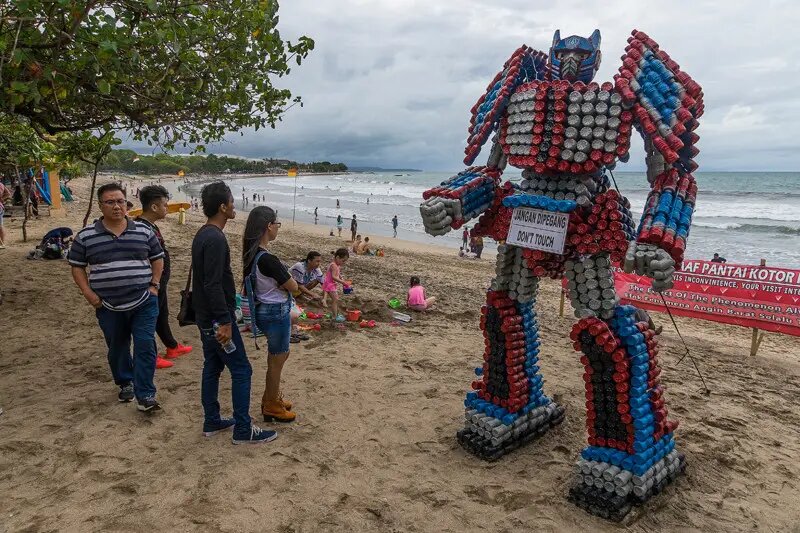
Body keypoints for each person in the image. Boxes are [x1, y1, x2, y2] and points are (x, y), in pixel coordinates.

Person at [192, 181, 276, 444]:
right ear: (222, 206)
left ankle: (212, 420)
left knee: (213, 366)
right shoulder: (215, 238)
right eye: (230, 201)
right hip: (217, 320)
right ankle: (243, 429)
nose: (234, 205)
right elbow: (212, 284)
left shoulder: (203, 234)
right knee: (242, 370)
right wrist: (225, 321)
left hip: (206, 317)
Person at [67, 183, 164, 412]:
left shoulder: (143, 231)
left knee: (145, 345)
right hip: (108, 305)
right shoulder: (86, 236)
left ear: (127, 204)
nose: (117, 206)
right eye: (110, 202)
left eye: (120, 201)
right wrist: (89, 294)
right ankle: (125, 382)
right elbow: (77, 267)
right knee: (118, 347)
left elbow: (158, 257)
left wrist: (154, 285)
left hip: (144, 301)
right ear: (101, 206)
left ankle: (146, 394)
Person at [242, 206, 298, 423]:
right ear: (268, 226)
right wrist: (287, 284)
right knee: (277, 359)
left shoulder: (253, 254)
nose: (278, 228)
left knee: (279, 356)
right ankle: (271, 405)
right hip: (275, 311)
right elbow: (292, 286)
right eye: (277, 224)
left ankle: (271, 397)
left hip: (264, 310)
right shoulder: (267, 259)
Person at [136, 185, 193, 369]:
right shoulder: (142, 229)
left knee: (162, 313)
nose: (167, 209)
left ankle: (172, 346)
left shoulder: (151, 226)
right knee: (149, 317)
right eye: (164, 205)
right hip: (153, 282)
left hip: (160, 281)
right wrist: (154, 282)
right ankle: (150, 356)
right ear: (154, 207)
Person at [323, 248, 349, 322]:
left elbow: (337, 273)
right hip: (330, 285)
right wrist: (342, 282)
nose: (343, 262)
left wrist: (341, 277)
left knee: (335, 300)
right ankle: (335, 316)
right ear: (337, 257)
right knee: (335, 300)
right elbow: (334, 276)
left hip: (332, 284)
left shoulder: (337, 265)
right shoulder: (334, 265)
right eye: (343, 260)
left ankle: (334, 314)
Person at [0, 180, 11, 249]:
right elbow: (8, 194)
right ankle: (2, 243)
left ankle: (2, 243)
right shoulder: (1, 184)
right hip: (1, 207)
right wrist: (2, 199)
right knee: (0, 226)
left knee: (0, 226)